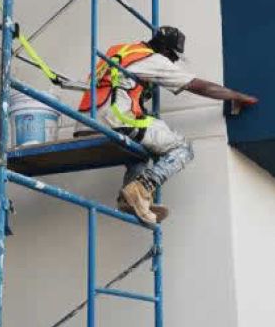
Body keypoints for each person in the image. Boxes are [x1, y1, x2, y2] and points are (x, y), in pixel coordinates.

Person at [77, 26, 258, 224]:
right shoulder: (153, 59)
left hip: (87, 120)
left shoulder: (120, 50)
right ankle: (141, 189)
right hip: (114, 120)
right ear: (164, 49)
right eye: (173, 56)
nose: (173, 61)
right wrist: (236, 96)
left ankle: (130, 199)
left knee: (141, 151)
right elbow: (197, 85)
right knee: (182, 148)